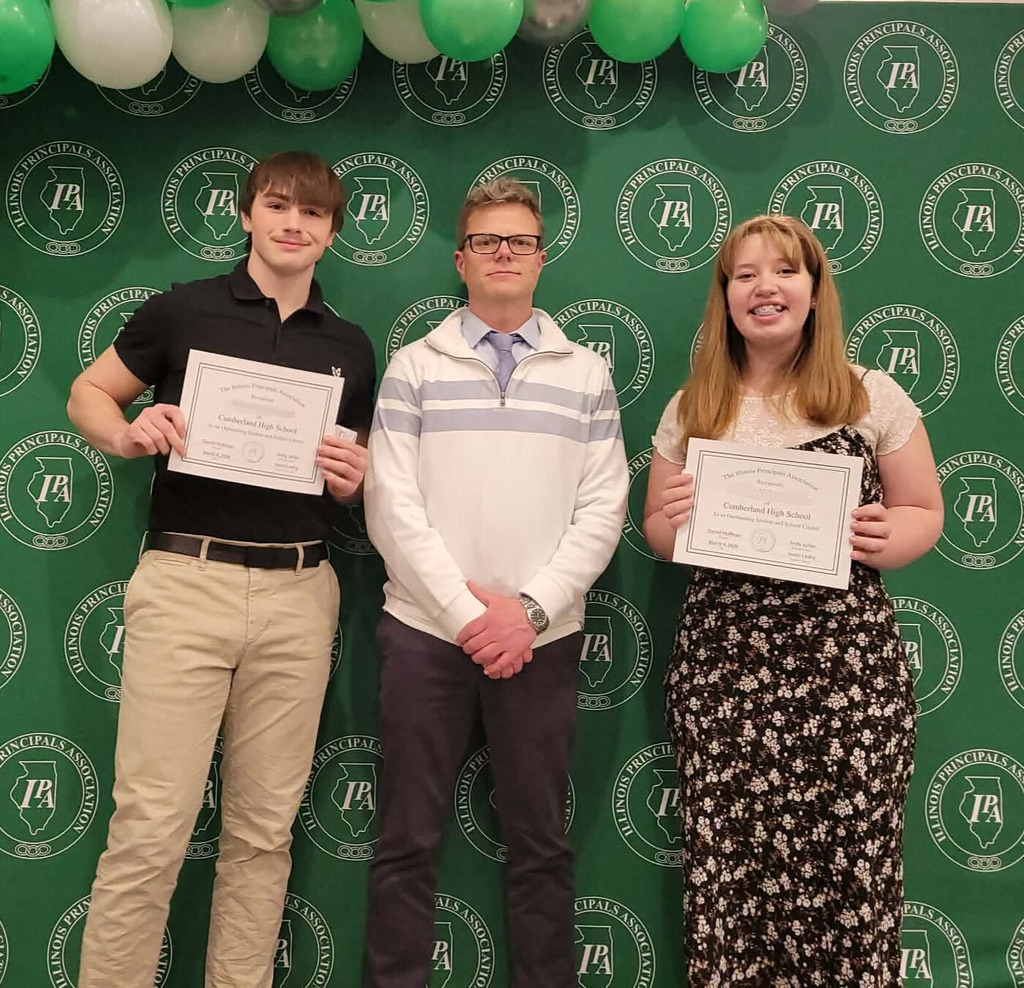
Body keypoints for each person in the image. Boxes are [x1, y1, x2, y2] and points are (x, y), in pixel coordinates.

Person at [66, 150, 377, 988]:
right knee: (150, 827)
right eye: (278, 206)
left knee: (262, 834)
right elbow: (89, 394)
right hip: (186, 584)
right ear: (245, 214)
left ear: (332, 233)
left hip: (300, 592)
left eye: (313, 214)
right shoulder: (179, 311)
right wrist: (129, 434)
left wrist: (357, 480)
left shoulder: (351, 345)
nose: (293, 224)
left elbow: (355, 472)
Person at [643, 214, 943, 987]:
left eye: (783, 272)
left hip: (848, 683)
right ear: (725, 296)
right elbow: (655, 529)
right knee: (730, 879)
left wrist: (889, 535)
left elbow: (926, 513)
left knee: (852, 876)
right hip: (724, 678)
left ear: (814, 292)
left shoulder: (869, 393)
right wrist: (671, 525)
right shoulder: (692, 409)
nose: (764, 287)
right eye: (744, 275)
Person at [362, 177, 628, 988]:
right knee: (406, 840)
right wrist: (462, 611)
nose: (503, 253)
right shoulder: (414, 366)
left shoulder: (585, 374)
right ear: (462, 259)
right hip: (423, 634)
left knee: (542, 844)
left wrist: (530, 611)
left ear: (542, 258)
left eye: (519, 240)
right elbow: (389, 501)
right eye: (487, 241)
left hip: (542, 637)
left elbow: (606, 504)